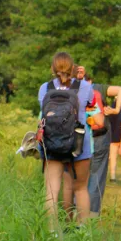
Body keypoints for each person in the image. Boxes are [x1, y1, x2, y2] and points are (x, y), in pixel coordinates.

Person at [38, 53, 102, 230]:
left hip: (51, 143)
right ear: (73, 68)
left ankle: (51, 232)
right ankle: (83, 231)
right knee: (81, 188)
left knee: (51, 191)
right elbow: (91, 106)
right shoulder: (85, 87)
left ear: (53, 68)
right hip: (79, 144)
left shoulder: (45, 88)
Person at [81, 72, 121, 216]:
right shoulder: (98, 88)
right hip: (100, 137)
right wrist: (116, 109)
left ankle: (76, 214)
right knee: (97, 175)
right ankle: (93, 215)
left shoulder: (71, 89)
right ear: (90, 80)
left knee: (78, 178)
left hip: (79, 139)